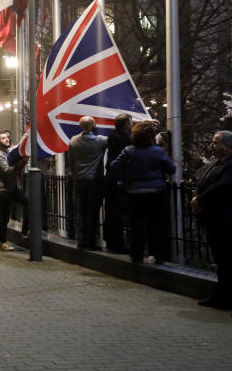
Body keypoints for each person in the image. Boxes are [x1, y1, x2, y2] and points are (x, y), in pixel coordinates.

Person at [191, 131, 232, 317]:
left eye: (215, 142)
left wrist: (200, 200)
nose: (212, 145)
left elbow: (224, 187)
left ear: (228, 146)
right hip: (218, 221)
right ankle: (222, 296)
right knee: (223, 262)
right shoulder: (220, 163)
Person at [109, 120, 175, 265]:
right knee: (156, 225)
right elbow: (171, 168)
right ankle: (158, 255)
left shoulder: (129, 151)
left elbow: (114, 166)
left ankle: (137, 255)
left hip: (134, 193)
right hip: (155, 192)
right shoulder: (157, 151)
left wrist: (126, 176)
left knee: (136, 225)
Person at [67, 116, 108, 251]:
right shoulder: (100, 140)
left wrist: (74, 174)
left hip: (79, 180)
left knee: (81, 211)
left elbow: (71, 161)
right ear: (93, 125)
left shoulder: (73, 141)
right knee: (93, 212)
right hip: (94, 181)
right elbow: (116, 139)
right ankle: (91, 242)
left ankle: (81, 241)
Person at [0, 130, 29, 251]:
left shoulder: (10, 151)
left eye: (7, 137)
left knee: (28, 203)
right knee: (4, 218)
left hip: (12, 187)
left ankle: (25, 231)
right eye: (3, 138)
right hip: (3, 190)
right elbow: (7, 170)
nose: (6, 139)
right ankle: (3, 243)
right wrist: (20, 162)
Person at [103, 114, 132, 253]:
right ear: (126, 124)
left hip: (109, 177)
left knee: (110, 210)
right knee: (119, 212)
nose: (132, 125)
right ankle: (118, 243)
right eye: (130, 122)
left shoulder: (112, 135)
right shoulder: (126, 139)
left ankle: (109, 240)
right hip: (119, 178)